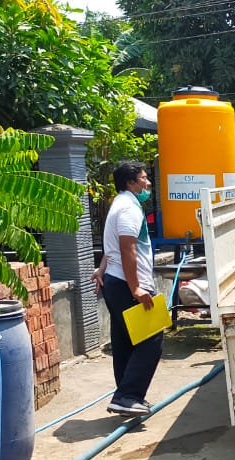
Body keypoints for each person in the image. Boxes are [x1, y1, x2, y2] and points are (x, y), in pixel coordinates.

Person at [91, 161, 162, 416]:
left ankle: (125, 397)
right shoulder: (130, 209)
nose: (148, 183)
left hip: (115, 281)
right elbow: (126, 247)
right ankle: (128, 396)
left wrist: (101, 268)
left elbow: (113, 247)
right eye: (144, 178)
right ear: (131, 183)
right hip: (127, 285)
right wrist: (137, 289)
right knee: (151, 339)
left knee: (125, 342)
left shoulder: (119, 204)